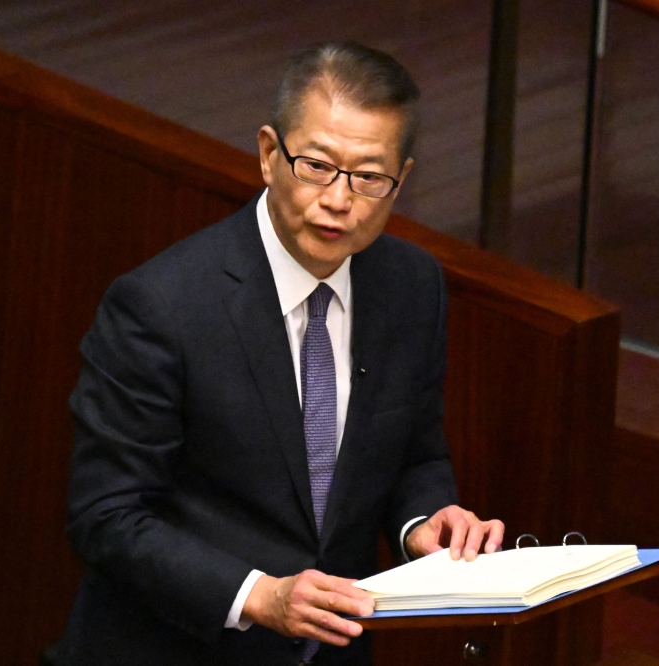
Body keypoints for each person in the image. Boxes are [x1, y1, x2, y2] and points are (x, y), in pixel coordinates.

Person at [49, 42, 504, 665]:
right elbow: (106, 515)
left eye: (370, 178)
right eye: (316, 166)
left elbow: (414, 454)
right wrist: (258, 596)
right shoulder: (162, 305)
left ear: (400, 181)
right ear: (269, 155)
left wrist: (421, 522)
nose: (340, 200)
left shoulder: (412, 286)